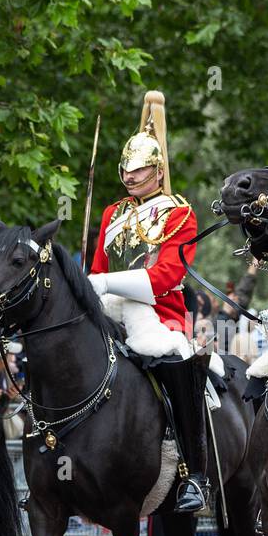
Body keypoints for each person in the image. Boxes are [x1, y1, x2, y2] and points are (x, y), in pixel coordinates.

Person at [89, 90, 208, 513]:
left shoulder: (179, 213)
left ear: (158, 171)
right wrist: (94, 287)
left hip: (159, 313)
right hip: (107, 308)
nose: (131, 177)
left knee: (174, 360)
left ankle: (195, 473)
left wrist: (106, 284)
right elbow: (98, 266)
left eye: (140, 171)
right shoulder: (111, 213)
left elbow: (166, 277)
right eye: (127, 170)